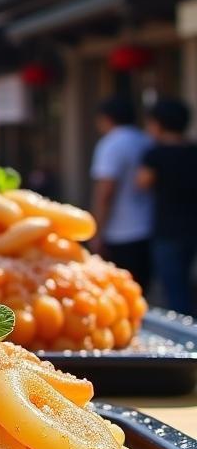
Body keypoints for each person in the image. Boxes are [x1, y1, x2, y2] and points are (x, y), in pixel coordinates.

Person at [138, 98, 197, 313]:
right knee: (186, 284)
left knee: (174, 287)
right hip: (192, 224)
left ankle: (184, 340)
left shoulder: (155, 154)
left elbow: (142, 183)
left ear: (159, 123)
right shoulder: (193, 151)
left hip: (167, 227)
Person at [91, 95, 153, 288]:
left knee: (121, 291)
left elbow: (105, 191)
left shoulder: (111, 144)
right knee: (143, 289)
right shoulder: (146, 139)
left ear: (106, 118)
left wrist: (96, 230)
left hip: (120, 231)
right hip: (149, 225)